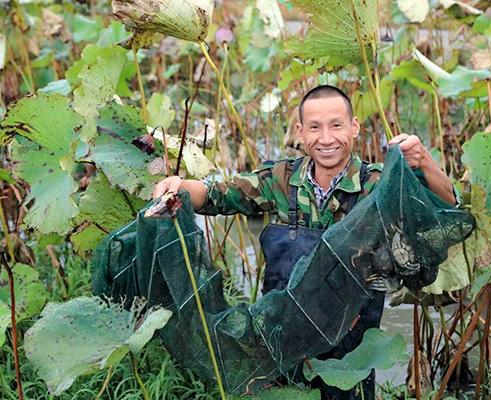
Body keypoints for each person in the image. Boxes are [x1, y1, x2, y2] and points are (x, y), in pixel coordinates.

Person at [153, 85, 457, 400]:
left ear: (354, 128)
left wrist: (424, 163)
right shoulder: (281, 179)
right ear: (300, 132)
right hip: (283, 337)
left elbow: (446, 207)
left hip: (350, 347)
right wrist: (179, 187)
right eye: (314, 127)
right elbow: (219, 195)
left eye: (336, 125)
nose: (326, 138)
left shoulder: (378, 185)